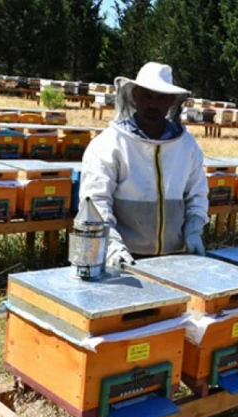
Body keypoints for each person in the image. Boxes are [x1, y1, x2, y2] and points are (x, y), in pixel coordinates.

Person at [79, 62, 209, 269]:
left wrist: (194, 228)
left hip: (177, 256)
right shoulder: (109, 144)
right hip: (125, 258)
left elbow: (197, 194)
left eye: (161, 98)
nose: (153, 104)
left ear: (171, 102)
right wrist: (112, 245)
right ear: (134, 96)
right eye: (147, 95)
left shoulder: (187, 146)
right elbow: (95, 201)